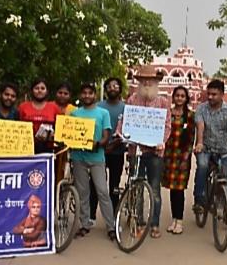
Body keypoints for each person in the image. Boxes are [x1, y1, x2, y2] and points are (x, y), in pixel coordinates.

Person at [116, 65, 172, 238]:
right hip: (136, 150)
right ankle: (139, 222)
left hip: (155, 152)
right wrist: (120, 134)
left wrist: (162, 141)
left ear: (156, 82)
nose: (147, 83)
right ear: (139, 82)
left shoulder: (163, 102)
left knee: (154, 189)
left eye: (151, 80)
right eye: (144, 80)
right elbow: (125, 120)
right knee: (136, 186)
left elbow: (167, 125)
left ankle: (154, 224)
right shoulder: (132, 99)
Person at [193, 80, 227, 218]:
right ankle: (199, 199)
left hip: (222, 149)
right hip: (205, 147)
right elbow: (200, 126)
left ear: (222, 94)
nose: (210, 97)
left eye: (214, 94)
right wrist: (199, 143)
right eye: (209, 94)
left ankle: (225, 204)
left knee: (226, 178)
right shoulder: (201, 108)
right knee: (202, 165)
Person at [70, 82, 116, 241]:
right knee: (82, 192)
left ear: (95, 95)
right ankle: (84, 224)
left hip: (97, 157)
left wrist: (97, 144)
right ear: (80, 95)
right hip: (78, 157)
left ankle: (111, 226)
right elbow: (70, 134)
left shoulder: (103, 113)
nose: (87, 96)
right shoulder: (75, 114)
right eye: (84, 93)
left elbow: (106, 136)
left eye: (90, 93)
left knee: (103, 191)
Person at [162, 86, 195, 235]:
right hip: (169, 155)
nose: (180, 98)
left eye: (182, 96)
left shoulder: (190, 116)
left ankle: (179, 221)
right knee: (171, 188)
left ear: (186, 98)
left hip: (182, 156)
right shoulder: (168, 113)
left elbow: (191, 139)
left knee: (179, 189)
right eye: (177, 96)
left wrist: (186, 157)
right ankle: (173, 220)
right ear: (173, 97)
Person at [95, 77, 126, 221]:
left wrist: (114, 144)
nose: (112, 88)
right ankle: (90, 217)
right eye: (109, 86)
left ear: (120, 89)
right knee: (95, 184)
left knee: (114, 185)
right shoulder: (97, 106)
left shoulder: (125, 108)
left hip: (117, 151)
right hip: (99, 152)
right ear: (105, 89)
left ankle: (114, 217)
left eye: (116, 86)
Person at [18, 79, 61, 154]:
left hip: (48, 148)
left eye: (42, 88)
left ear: (47, 91)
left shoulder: (54, 107)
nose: (39, 91)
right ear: (32, 91)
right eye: (36, 88)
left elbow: (60, 128)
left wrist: (53, 135)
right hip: (26, 147)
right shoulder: (23, 107)